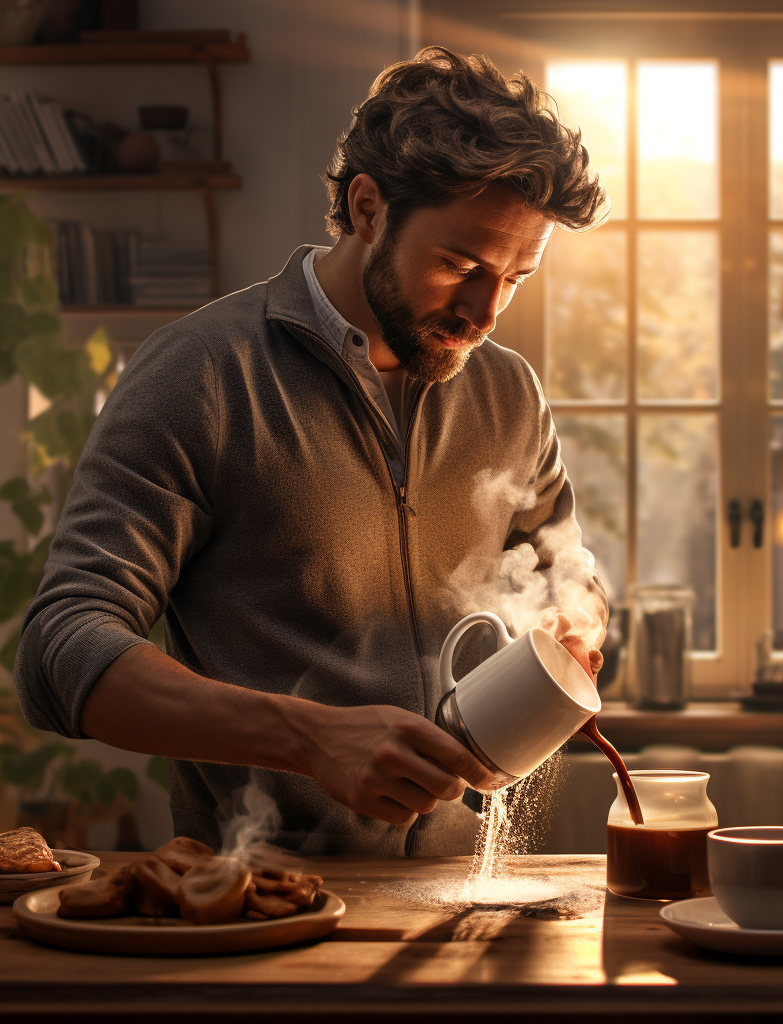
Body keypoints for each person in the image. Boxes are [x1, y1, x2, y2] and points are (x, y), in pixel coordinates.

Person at [14, 47, 608, 857]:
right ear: (368, 209)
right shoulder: (202, 375)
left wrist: (573, 622)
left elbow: (558, 566)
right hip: (258, 904)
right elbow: (60, 648)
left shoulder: (509, 394)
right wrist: (308, 738)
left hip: (463, 894)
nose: (486, 311)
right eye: (459, 265)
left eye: (516, 277)